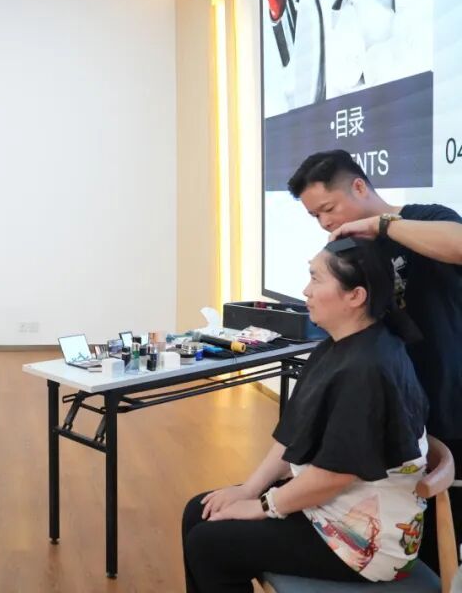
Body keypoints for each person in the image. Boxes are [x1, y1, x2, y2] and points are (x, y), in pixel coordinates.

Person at [182, 238, 429, 591]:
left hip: (365, 540)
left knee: (209, 545)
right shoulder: (336, 346)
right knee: (199, 510)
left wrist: (263, 505)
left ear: (355, 296)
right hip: (330, 505)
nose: (305, 291)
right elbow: (295, 436)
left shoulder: (368, 368)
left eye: (316, 279)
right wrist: (250, 489)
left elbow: (336, 475)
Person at [288, 149, 462, 569]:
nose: (324, 222)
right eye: (315, 216)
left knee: (445, 527)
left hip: (448, 396)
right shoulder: (353, 249)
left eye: (328, 209)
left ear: (359, 186)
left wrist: (380, 225)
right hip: (394, 401)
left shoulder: (425, 217)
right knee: (401, 526)